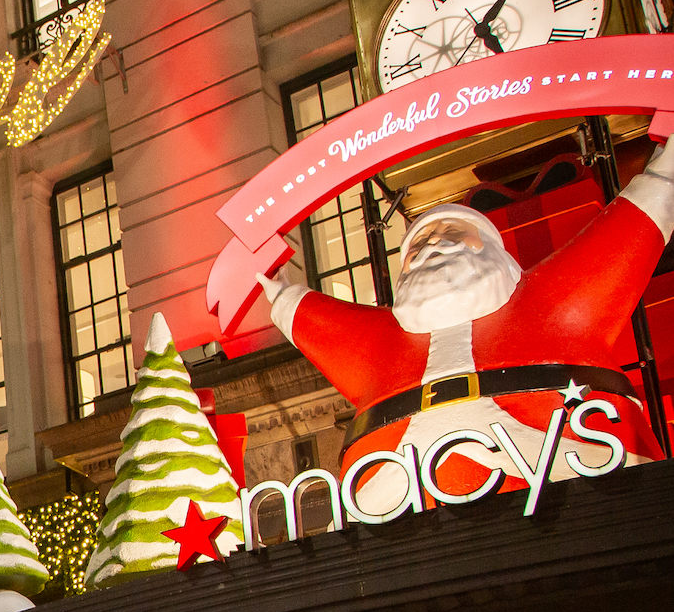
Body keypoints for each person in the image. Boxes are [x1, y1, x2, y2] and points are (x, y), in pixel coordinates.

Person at [257, 140, 674, 515]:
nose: (431, 246)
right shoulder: (379, 342)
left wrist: (665, 172)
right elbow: (317, 322)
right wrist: (271, 289)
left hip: (578, 476)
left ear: (494, 250)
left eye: (451, 232)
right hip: (401, 511)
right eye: (417, 245)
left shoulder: (551, 300)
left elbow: (629, 229)